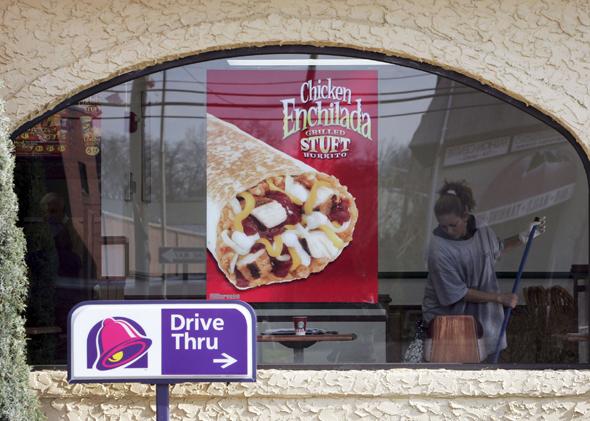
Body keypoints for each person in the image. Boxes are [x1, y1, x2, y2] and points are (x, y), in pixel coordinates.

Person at [421, 180, 546, 362]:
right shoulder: (438, 249)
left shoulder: (481, 229)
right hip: (450, 325)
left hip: (486, 320)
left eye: (453, 225)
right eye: (443, 226)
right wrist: (499, 298)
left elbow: (495, 249)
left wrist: (523, 237)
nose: (448, 230)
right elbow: (458, 293)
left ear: (465, 216)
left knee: (488, 370)